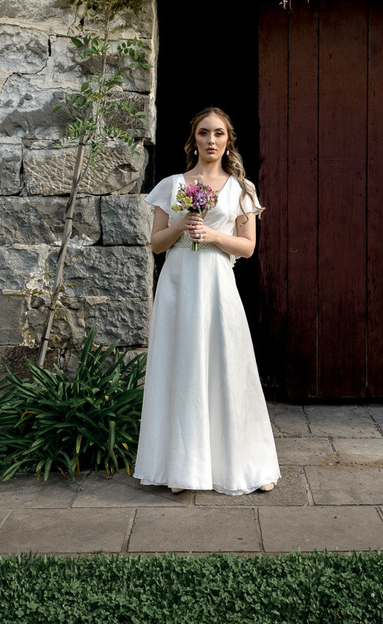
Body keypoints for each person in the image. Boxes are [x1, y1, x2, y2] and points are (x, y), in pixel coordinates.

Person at [133, 107, 280, 495]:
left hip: (217, 283)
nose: (211, 140)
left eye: (218, 133)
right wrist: (183, 224)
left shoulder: (241, 190)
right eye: (203, 133)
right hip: (179, 283)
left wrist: (213, 236)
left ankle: (250, 465)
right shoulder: (171, 185)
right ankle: (182, 468)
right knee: (181, 367)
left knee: (228, 365)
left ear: (228, 139)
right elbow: (156, 244)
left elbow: (248, 248)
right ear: (193, 139)